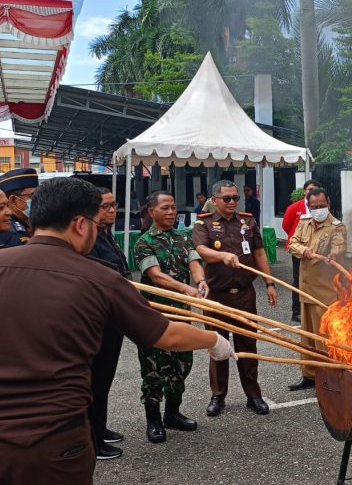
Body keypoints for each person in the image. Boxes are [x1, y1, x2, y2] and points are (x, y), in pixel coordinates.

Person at [0, 177, 233, 485]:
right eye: (95, 222)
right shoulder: (101, 277)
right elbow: (164, 334)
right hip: (57, 446)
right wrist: (212, 340)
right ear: (79, 224)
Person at [194, 180, 278, 417]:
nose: (232, 202)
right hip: (216, 296)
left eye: (235, 198)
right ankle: (218, 396)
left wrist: (269, 284)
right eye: (227, 198)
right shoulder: (204, 223)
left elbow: (260, 252)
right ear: (215, 200)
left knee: (248, 344)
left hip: (244, 295)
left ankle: (254, 395)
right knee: (218, 346)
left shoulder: (248, 221)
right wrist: (222, 256)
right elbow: (201, 251)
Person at [134, 191, 207, 443]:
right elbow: (155, 276)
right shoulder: (144, 242)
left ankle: (172, 413)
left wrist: (200, 281)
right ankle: (153, 419)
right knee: (154, 368)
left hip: (181, 315)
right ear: (151, 211)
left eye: (173, 207)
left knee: (181, 364)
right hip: (155, 316)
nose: (171, 212)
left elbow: (194, 262)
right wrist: (186, 288)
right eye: (165, 208)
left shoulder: (183, 237)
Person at [286, 188, 347, 391]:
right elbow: (292, 243)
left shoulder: (336, 227)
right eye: (314, 207)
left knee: (326, 338)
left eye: (322, 206)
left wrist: (333, 255)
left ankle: (331, 375)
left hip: (325, 292)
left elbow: (339, 247)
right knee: (308, 337)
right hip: (306, 290)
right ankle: (309, 375)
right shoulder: (304, 224)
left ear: (328, 202)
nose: (318, 209)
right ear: (309, 206)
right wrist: (304, 250)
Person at [86, 188, 129, 460]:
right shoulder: (89, 240)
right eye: (105, 206)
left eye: (114, 205)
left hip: (113, 318)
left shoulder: (105, 234)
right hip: (99, 320)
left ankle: (99, 428)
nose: (112, 211)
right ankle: (92, 439)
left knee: (104, 381)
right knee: (94, 382)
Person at [282, 179, 322, 323]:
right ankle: (297, 312)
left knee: (316, 280)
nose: (313, 192)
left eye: (316, 189)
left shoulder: (320, 207)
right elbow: (286, 225)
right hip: (299, 250)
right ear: (304, 191)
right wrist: (298, 244)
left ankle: (313, 309)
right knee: (299, 280)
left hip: (316, 251)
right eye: (310, 189)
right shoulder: (295, 207)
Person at [0, 167, 38, 247]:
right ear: (13, 200)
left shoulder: (27, 223)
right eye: (32, 196)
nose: (38, 199)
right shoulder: (13, 233)